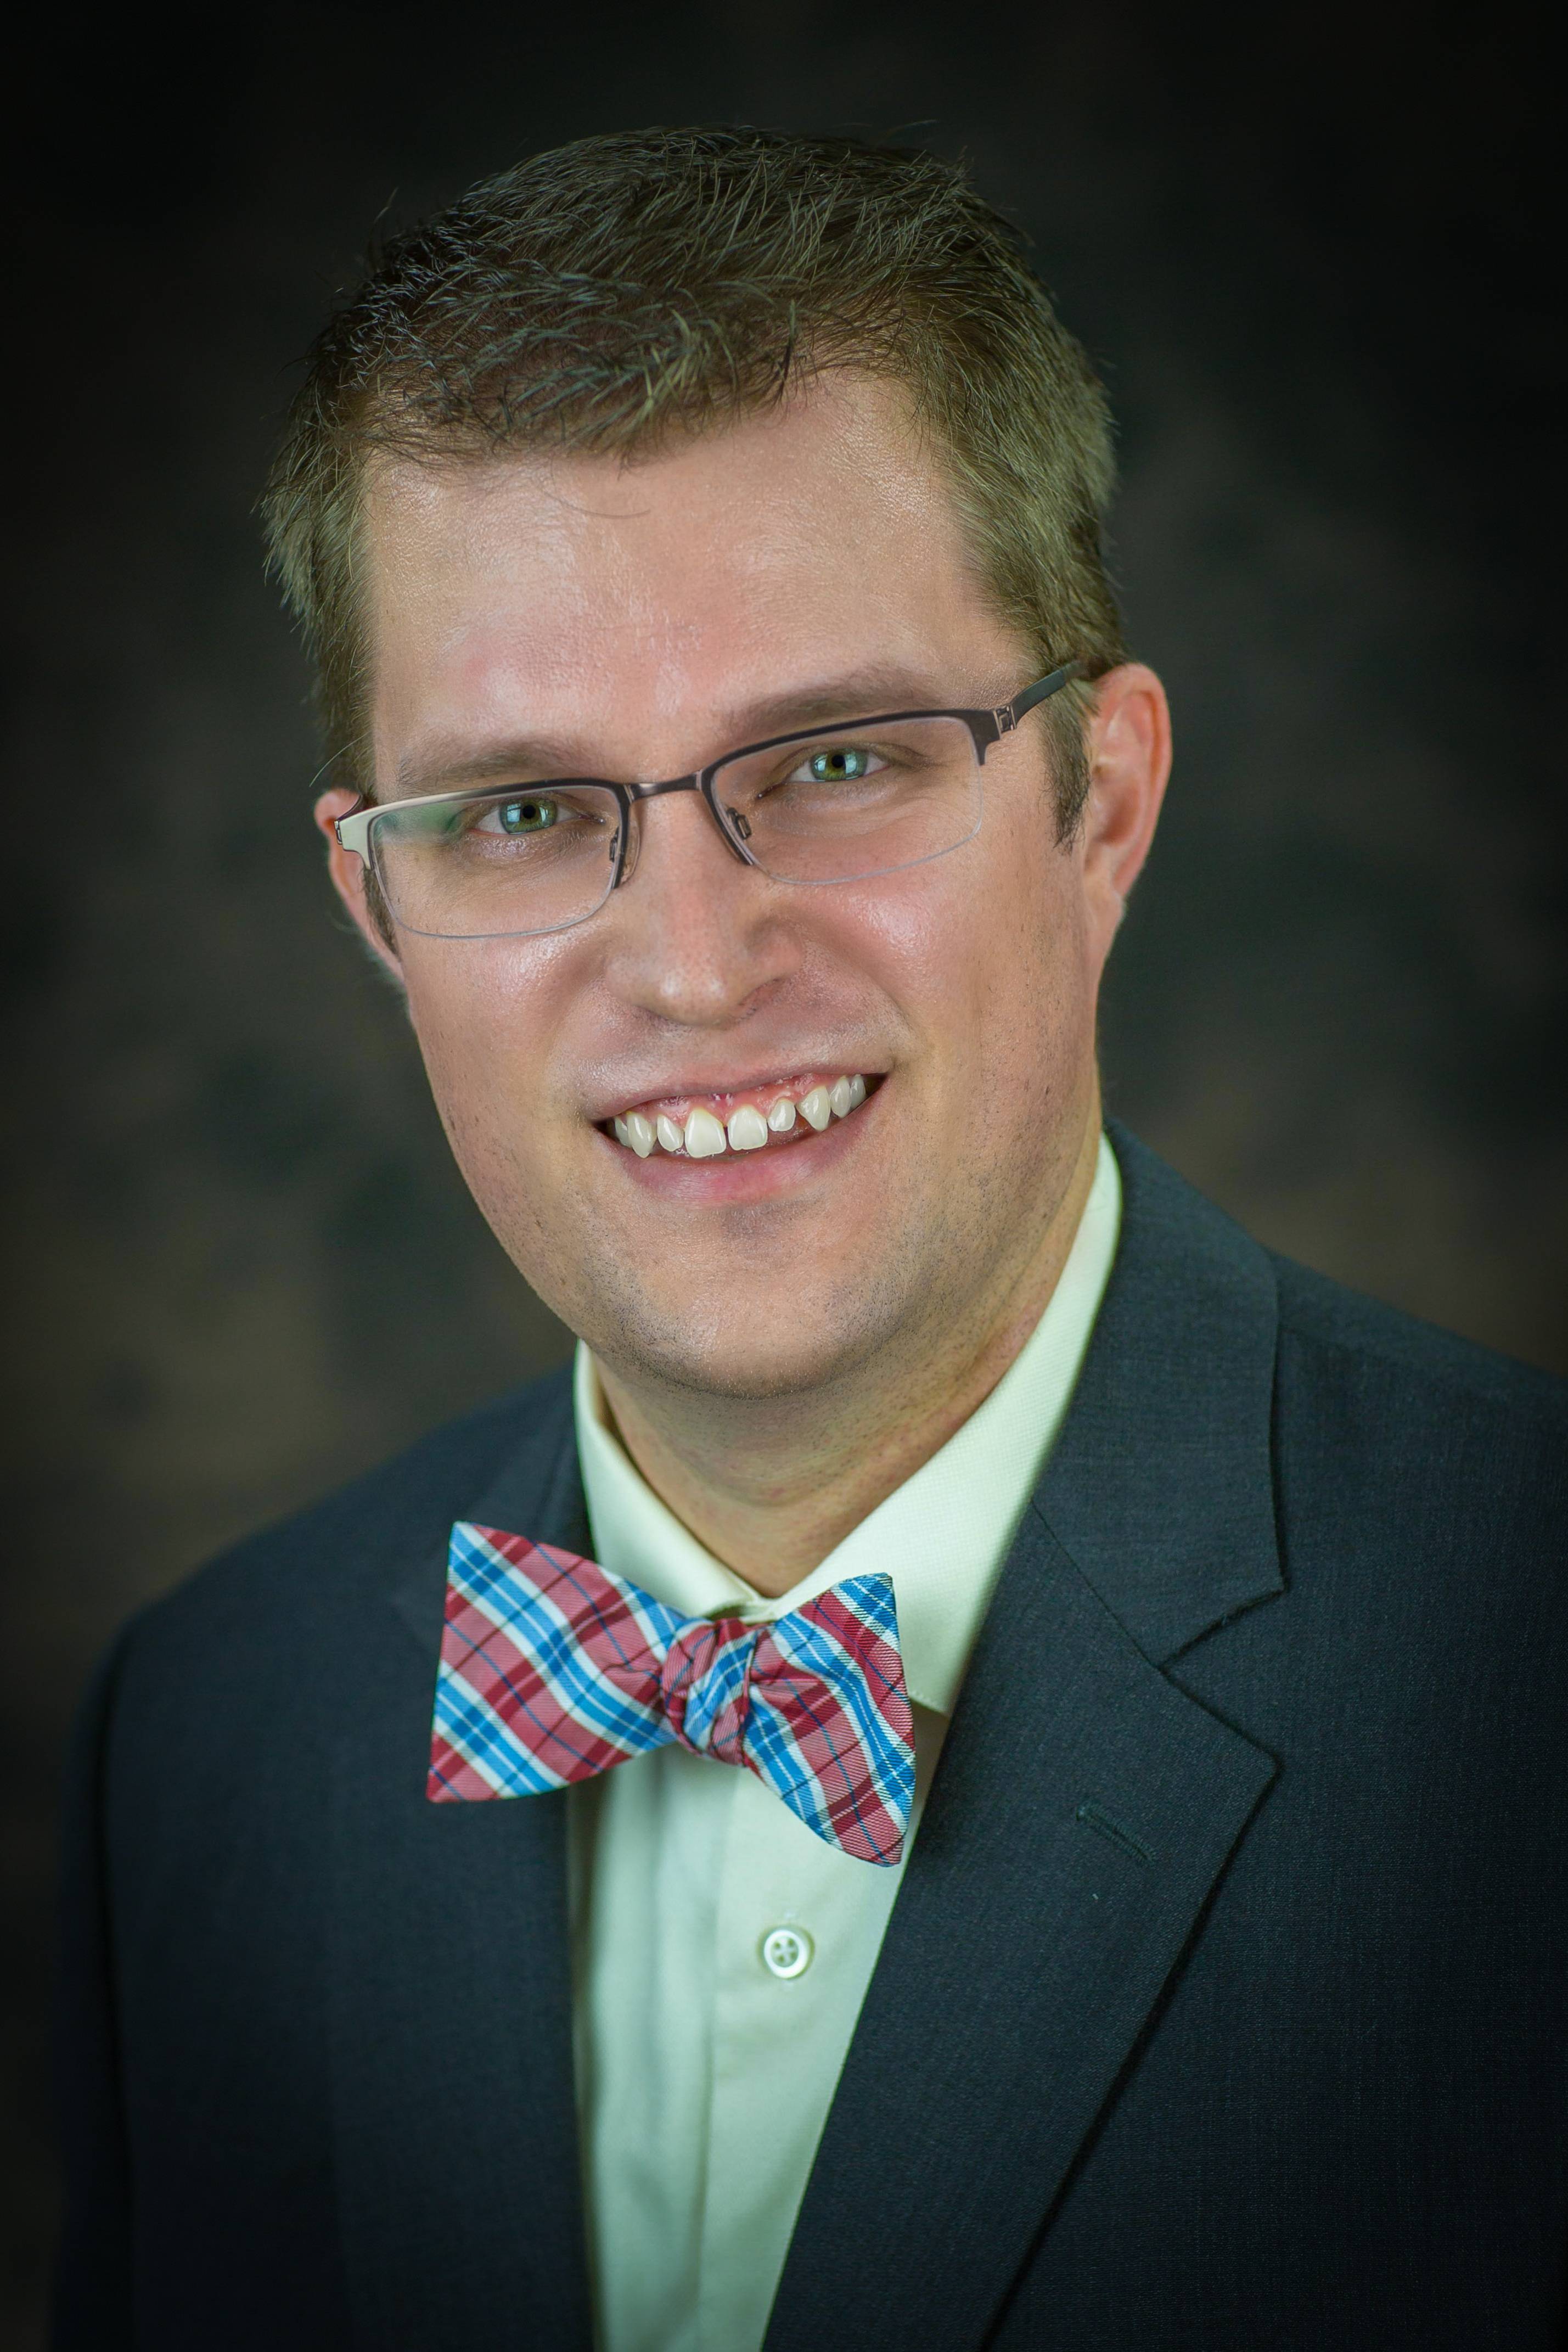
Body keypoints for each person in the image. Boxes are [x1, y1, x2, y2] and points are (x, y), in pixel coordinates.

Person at [52, 127, 1567, 2352]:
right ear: (379, 904)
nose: (686, 962)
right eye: (520, 810)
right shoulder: (203, 1739)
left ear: (1103, 808)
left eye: (839, 760)